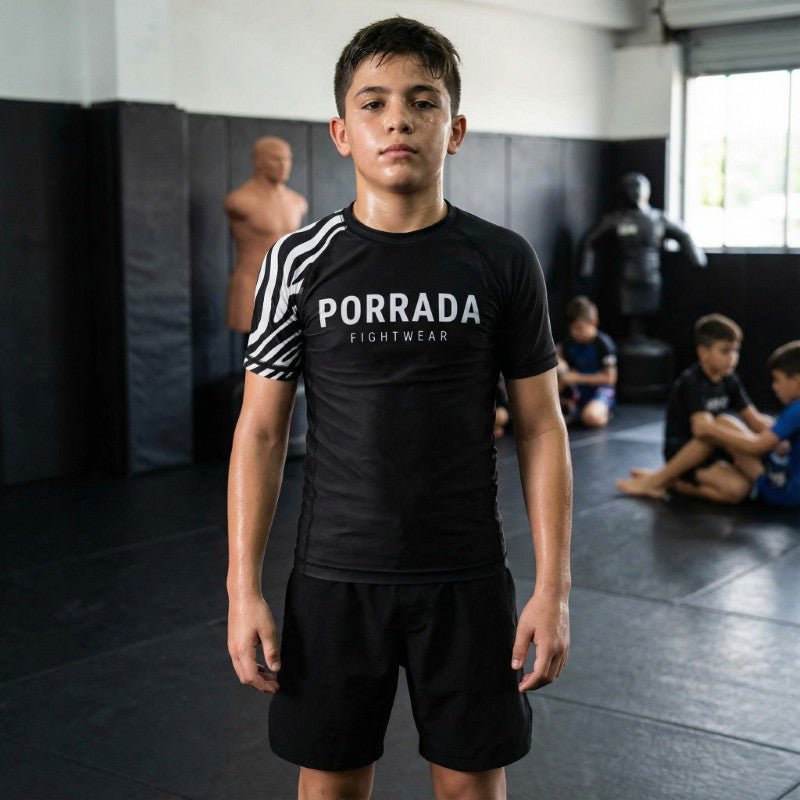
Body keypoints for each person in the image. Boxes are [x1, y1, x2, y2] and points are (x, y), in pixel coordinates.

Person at [226, 17, 572, 800]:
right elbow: (262, 429)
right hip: (335, 578)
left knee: (469, 788)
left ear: (455, 129)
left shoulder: (503, 259)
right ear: (341, 132)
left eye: (422, 102)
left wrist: (553, 590)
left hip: (467, 577)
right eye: (373, 103)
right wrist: (241, 589)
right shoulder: (297, 261)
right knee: (333, 787)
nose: (397, 121)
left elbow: (542, 426)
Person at [616, 313, 772, 501]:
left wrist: (783, 433)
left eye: (735, 351)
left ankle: (663, 478)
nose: (732, 358)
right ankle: (662, 480)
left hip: (715, 448)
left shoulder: (729, 379)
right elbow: (701, 429)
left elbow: (755, 420)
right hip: (685, 453)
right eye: (725, 351)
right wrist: (752, 444)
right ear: (703, 352)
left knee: (743, 483)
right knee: (737, 489)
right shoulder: (692, 382)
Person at [688, 341, 800, 508]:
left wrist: (710, 430)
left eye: (777, 380)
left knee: (724, 427)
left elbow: (756, 446)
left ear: (797, 379)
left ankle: (671, 480)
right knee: (727, 423)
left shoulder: (796, 409)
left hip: (787, 494)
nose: (774, 387)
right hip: (790, 479)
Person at [224, 136, 308, 334]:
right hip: (252, 283)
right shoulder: (240, 202)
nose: (284, 165)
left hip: (288, 286)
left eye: (287, 159)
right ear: (259, 162)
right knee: (252, 346)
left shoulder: (297, 202)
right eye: (276, 159)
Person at [556, 296, 617, 428]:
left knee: (591, 417)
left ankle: (598, 411)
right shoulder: (568, 342)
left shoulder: (603, 344)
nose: (575, 333)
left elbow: (610, 379)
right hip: (576, 392)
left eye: (580, 328)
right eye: (572, 328)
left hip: (599, 391)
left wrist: (577, 377)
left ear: (594, 322)